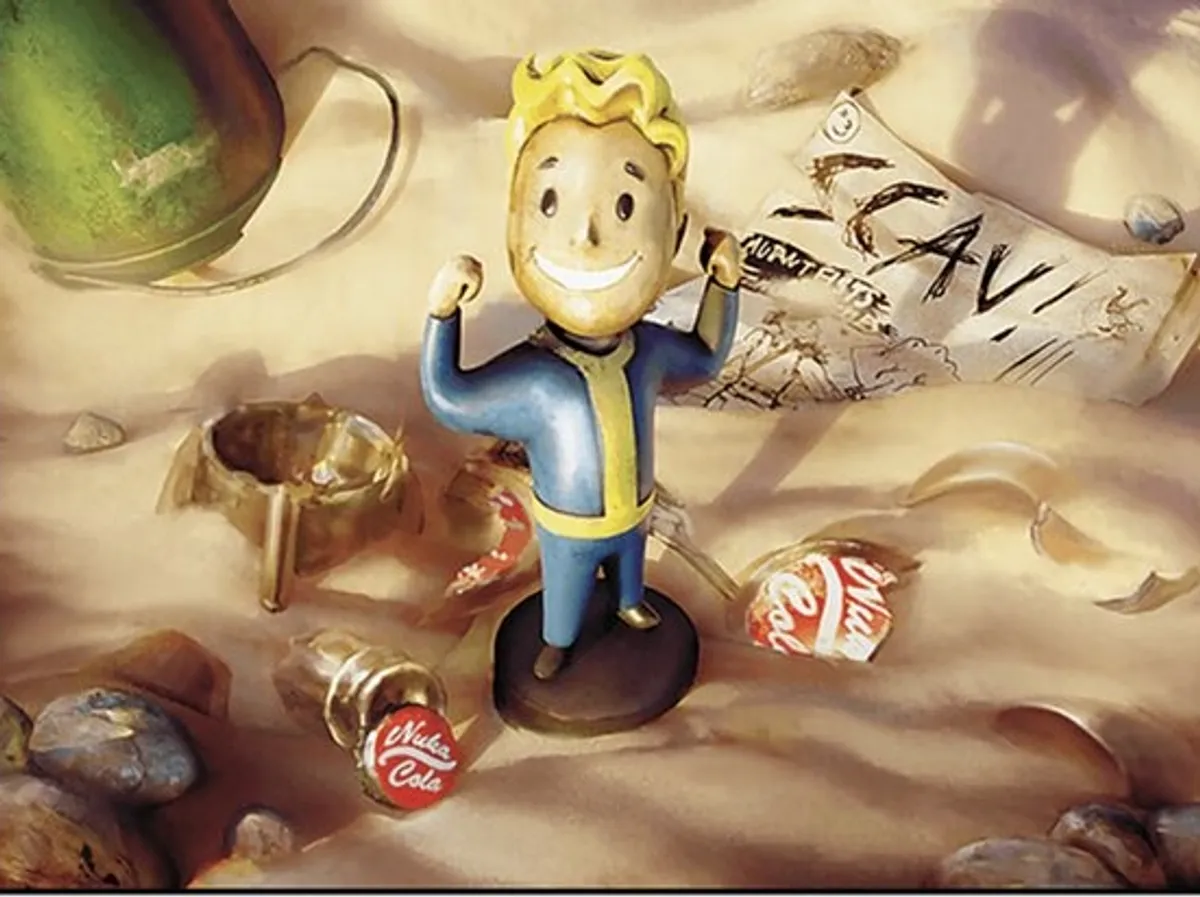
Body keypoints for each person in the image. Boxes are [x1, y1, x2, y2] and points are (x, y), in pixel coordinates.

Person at [420, 49, 741, 681]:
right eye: (549, 202)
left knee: (629, 568)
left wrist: (723, 287)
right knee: (564, 590)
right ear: (512, 224)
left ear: (675, 232)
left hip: (636, 510)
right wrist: (442, 316)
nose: (586, 238)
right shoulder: (535, 381)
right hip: (566, 523)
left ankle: (628, 602)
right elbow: (450, 398)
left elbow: (705, 357)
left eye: (624, 207)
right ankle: (558, 641)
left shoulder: (647, 352)